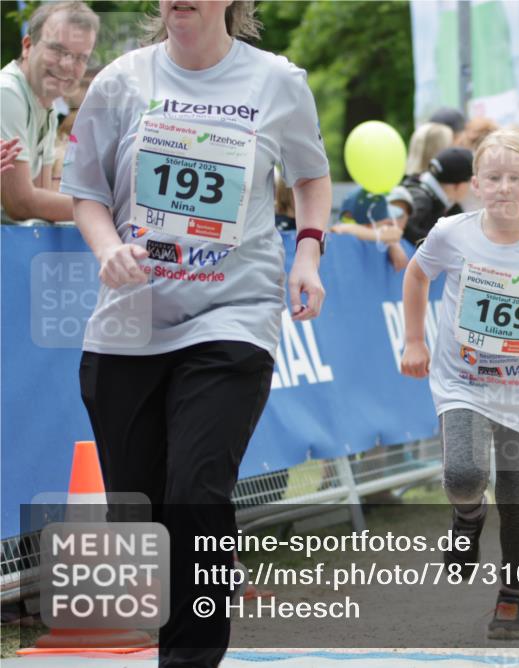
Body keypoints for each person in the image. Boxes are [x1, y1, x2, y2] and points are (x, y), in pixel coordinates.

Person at [60, 2, 331, 666]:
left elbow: (311, 175)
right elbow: (85, 191)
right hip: (131, 321)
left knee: (196, 489)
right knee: (147, 515)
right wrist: (104, 249)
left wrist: (308, 252)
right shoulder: (120, 82)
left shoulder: (276, 82)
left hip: (233, 313)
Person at [400, 128, 519, 640]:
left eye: (515, 178)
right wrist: (414, 341)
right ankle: (467, 514)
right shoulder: (451, 233)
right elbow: (417, 277)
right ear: (476, 183)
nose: (504, 187)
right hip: (461, 379)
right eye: (494, 178)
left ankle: (513, 597)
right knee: (463, 472)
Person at [0, 1, 98, 223]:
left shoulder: (48, 108)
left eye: (80, 57)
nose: (66, 65)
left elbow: (41, 196)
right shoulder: (6, 93)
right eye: (56, 49)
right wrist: (106, 210)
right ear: (27, 46)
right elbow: (21, 204)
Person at [401, 146, 473, 245]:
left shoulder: (450, 207)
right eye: (470, 182)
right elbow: (402, 227)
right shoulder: (421, 201)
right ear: (459, 186)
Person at [331, 186, 408, 271]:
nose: (389, 223)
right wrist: (381, 235)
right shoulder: (343, 233)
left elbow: (401, 261)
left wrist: (392, 242)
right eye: (384, 219)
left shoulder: (371, 234)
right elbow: (338, 229)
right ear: (369, 223)